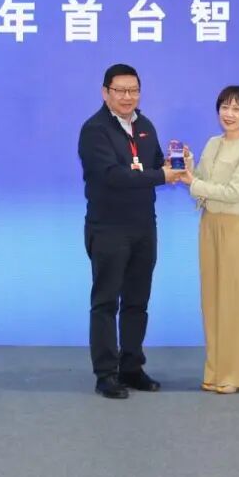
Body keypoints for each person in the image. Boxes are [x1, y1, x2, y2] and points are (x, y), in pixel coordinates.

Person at [78, 63, 182, 399]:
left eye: (133, 90)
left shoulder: (145, 125)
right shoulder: (94, 130)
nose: (127, 97)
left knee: (137, 302)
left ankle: (132, 367)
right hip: (108, 228)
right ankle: (106, 374)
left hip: (143, 227)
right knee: (106, 302)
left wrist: (174, 164)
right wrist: (161, 176)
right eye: (120, 90)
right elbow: (113, 176)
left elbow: (154, 164)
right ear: (105, 92)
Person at [179, 86, 239, 394]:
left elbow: (233, 192)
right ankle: (214, 371)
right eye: (225, 107)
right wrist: (187, 166)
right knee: (212, 299)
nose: (229, 114)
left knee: (235, 302)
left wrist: (194, 184)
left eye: (236, 109)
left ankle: (234, 375)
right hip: (209, 224)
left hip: (235, 226)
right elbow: (202, 181)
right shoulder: (213, 143)